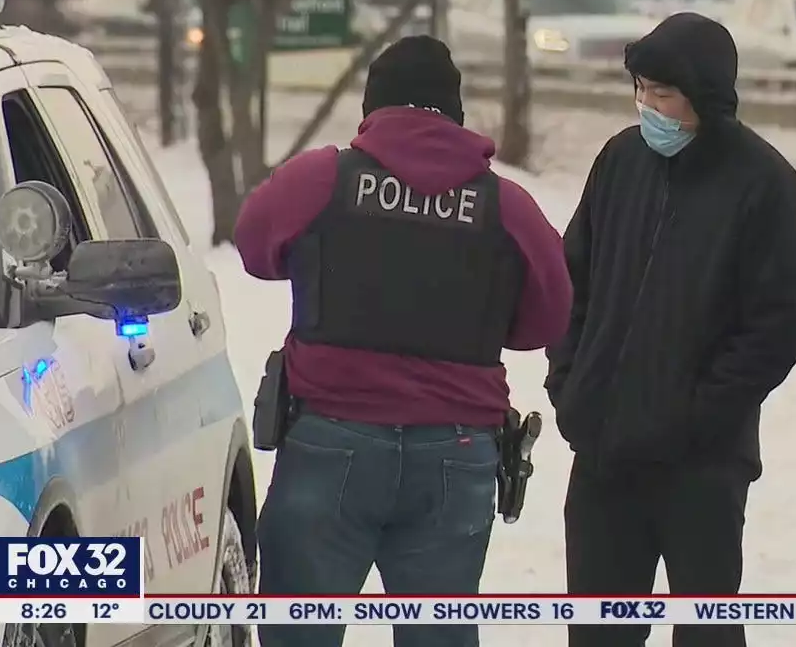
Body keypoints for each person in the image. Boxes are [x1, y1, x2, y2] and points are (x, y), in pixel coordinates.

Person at [233, 35, 573, 647]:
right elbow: (548, 319)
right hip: (457, 450)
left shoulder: (321, 178)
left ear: (374, 107)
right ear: (456, 111)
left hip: (330, 442)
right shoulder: (507, 206)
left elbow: (256, 249)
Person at [545, 13, 796, 647]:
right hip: (605, 454)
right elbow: (570, 282)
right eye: (640, 90)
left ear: (706, 96)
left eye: (662, 94)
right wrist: (570, 382)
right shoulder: (618, 161)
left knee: (706, 634)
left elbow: (772, 331)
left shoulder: (766, 185)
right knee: (599, 633)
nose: (647, 107)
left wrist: (694, 417)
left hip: (703, 467)